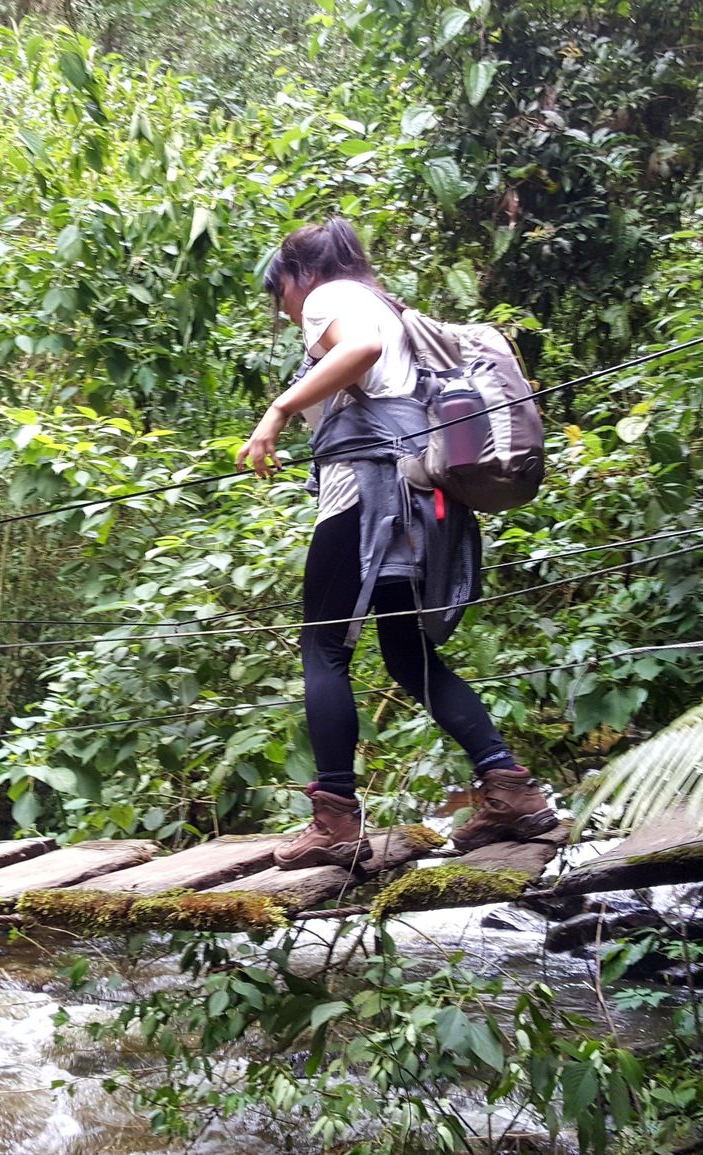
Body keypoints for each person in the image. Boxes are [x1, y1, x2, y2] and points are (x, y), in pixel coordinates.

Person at [238, 218, 556, 871]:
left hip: (367, 498)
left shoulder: (331, 298)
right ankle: (511, 791)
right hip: (422, 501)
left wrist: (275, 413)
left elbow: (358, 352)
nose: (290, 310)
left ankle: (334, 818)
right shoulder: (392, 306)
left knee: (323, 646)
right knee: (407, 654)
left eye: (284, 296)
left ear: (299, 276)